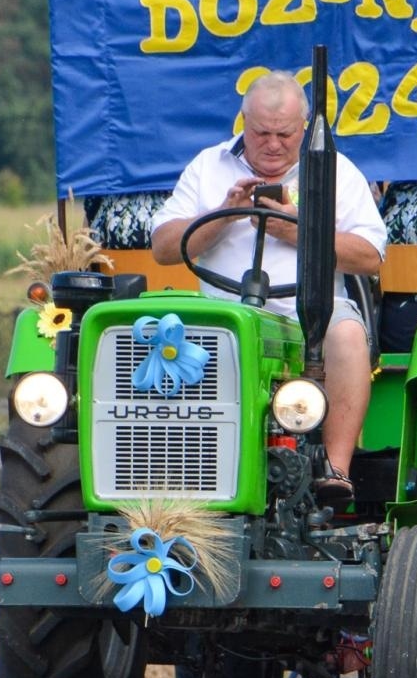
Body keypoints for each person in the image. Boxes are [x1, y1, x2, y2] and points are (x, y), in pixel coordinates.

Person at [150, 71, 387, 505]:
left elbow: (370, 254)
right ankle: (167, 471)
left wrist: (299, 231)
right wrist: (225, 214)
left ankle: (336, 470)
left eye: (285, 134)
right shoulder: (208, 166)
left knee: (347, 331)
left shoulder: (334, 169)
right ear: (242, 123)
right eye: (261, 133)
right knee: (160, 336)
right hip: (223, 316)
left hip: (306, 317)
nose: (273, 144)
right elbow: (164, 247)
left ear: (304, 129)